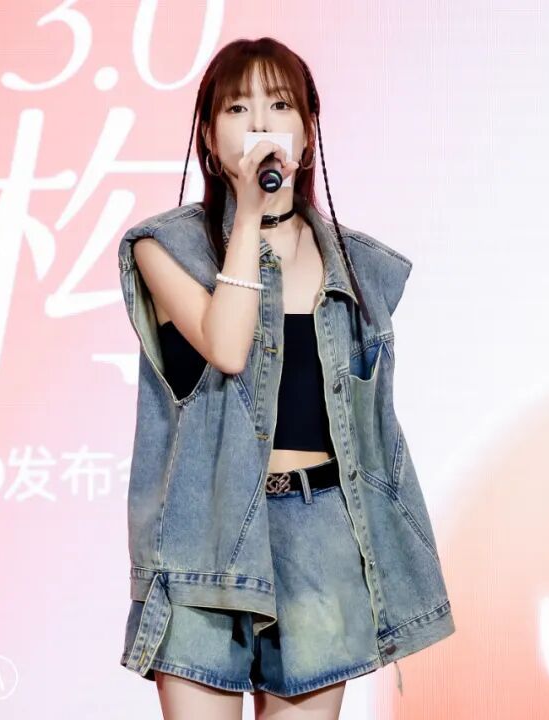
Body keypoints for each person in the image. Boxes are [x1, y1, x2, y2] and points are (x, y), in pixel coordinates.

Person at [117, 37, 454, 720]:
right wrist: (247, 215)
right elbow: (227, 345)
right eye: (238, 108)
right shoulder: (165, 248)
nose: (261, 125)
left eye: (278, 106)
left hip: (321, 536)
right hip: (203, 543)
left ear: (307, 130)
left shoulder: (360, 268)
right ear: (209, 137)